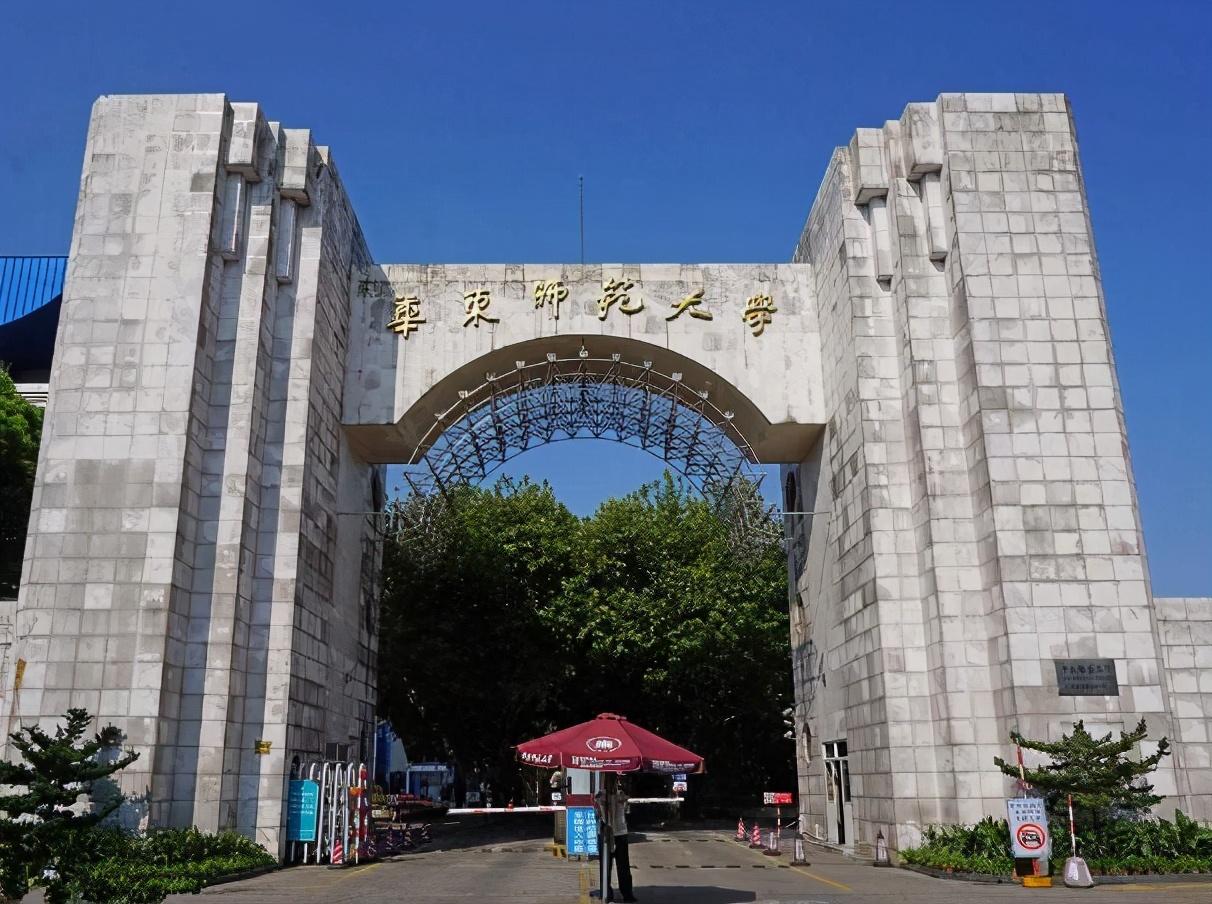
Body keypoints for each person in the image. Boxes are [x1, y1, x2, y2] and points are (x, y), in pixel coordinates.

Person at [595, 775, 636, 903]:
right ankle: (606, 893)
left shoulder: (621, 794)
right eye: (610, 781)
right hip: (606, 833)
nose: (612, 784)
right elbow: (599, 811)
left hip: (620, 832)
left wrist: (622, 800)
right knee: (606, 865)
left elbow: (626, 808)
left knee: (623, 866)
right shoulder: (600, 796)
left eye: (613, 781)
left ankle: (627, 893)